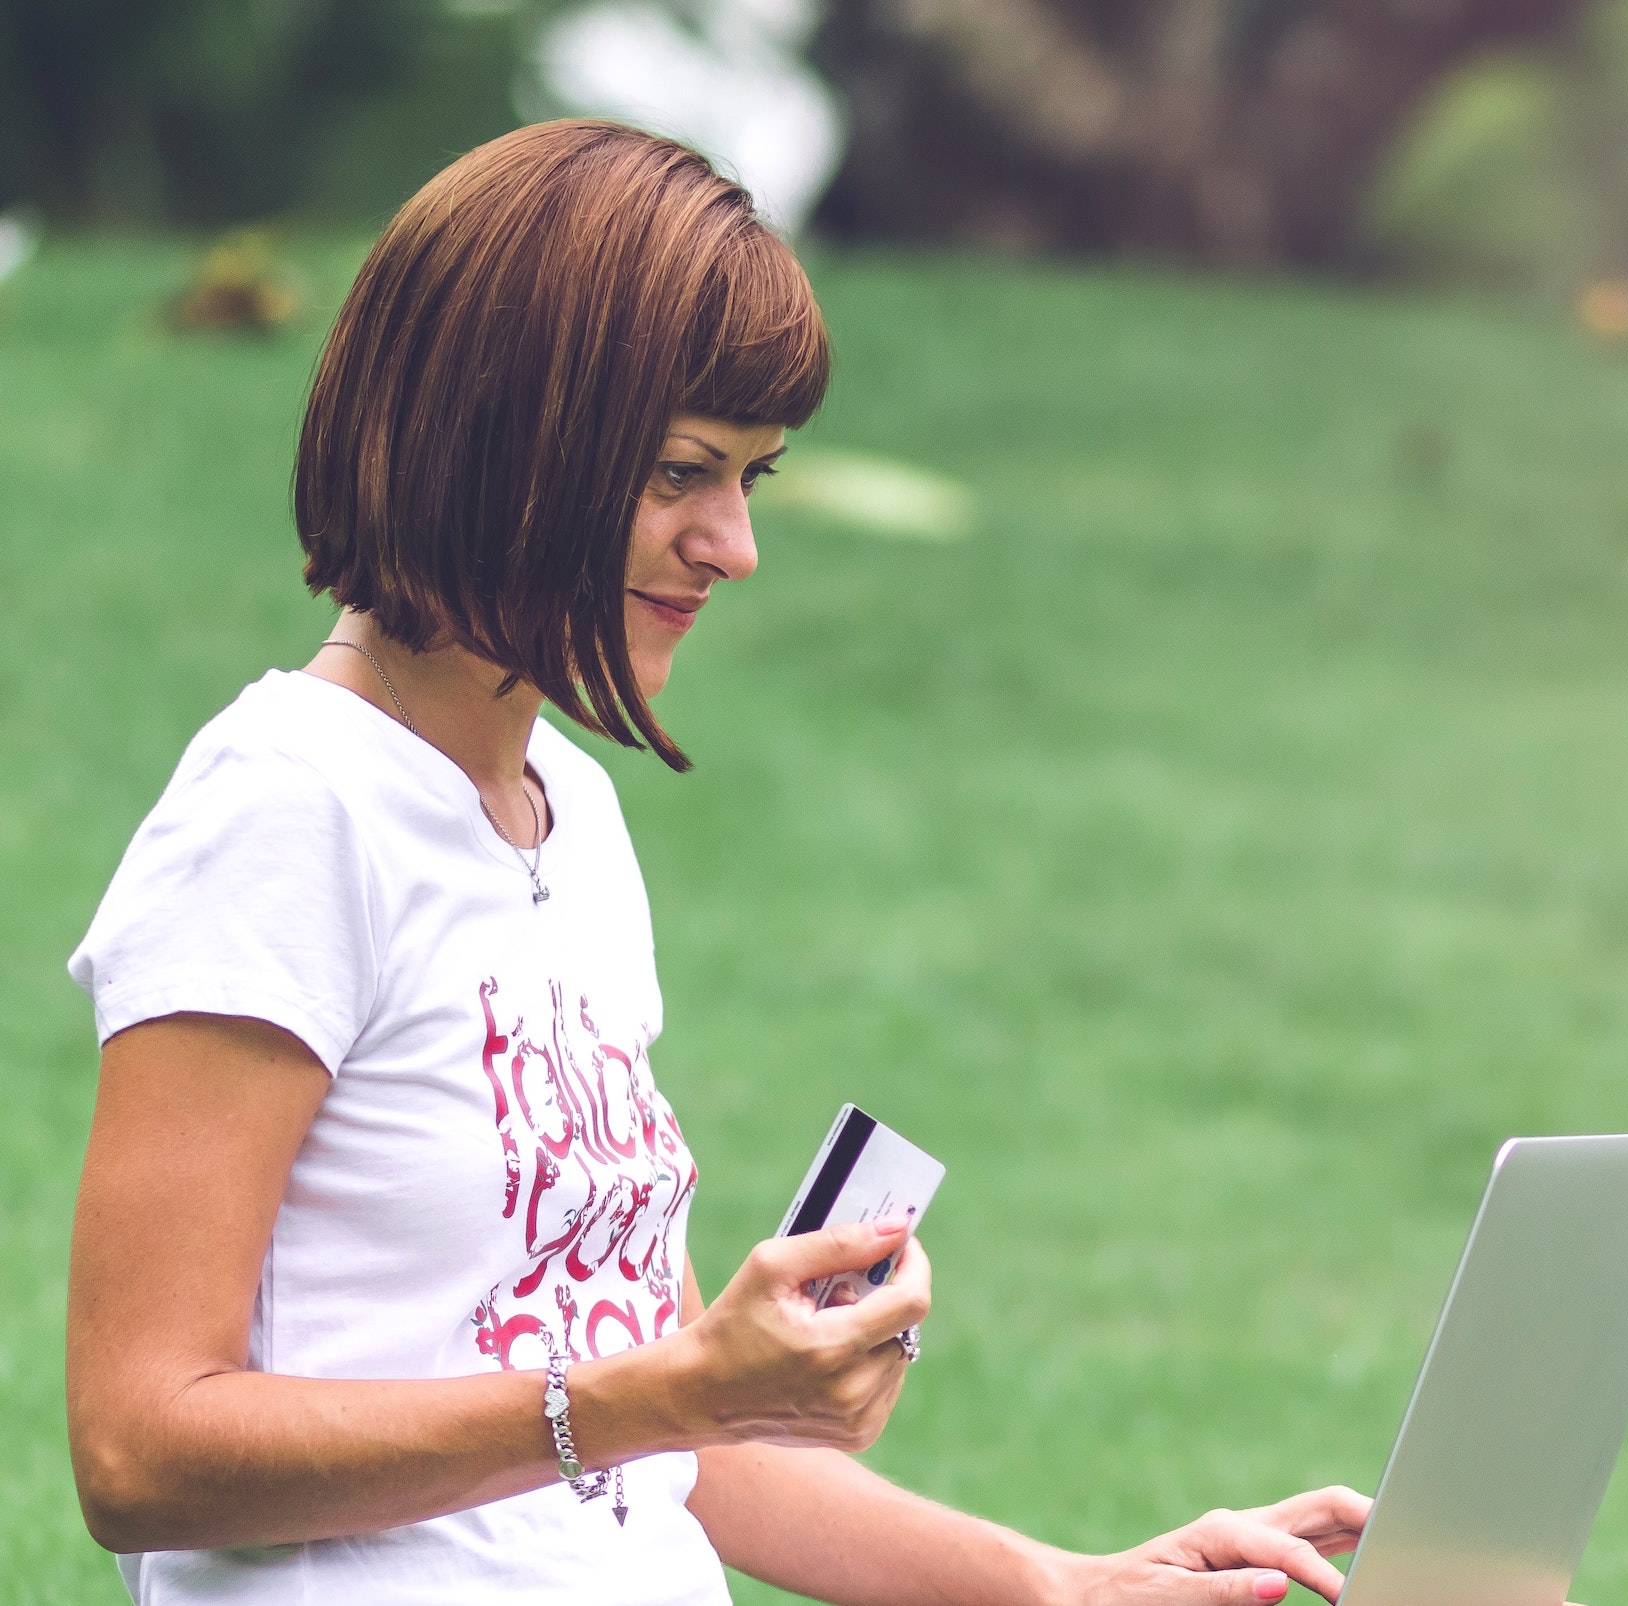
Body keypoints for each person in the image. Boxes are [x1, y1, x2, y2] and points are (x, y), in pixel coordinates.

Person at [63, 120, 1369, 1606]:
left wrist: (1065, 1583)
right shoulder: (288, 810)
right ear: (507, 435)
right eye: (683, 471)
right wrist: (673, 1390)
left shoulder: (567, 810)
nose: (734, 544)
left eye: (752, 476)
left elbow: (688, 1450)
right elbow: (137, 1448)